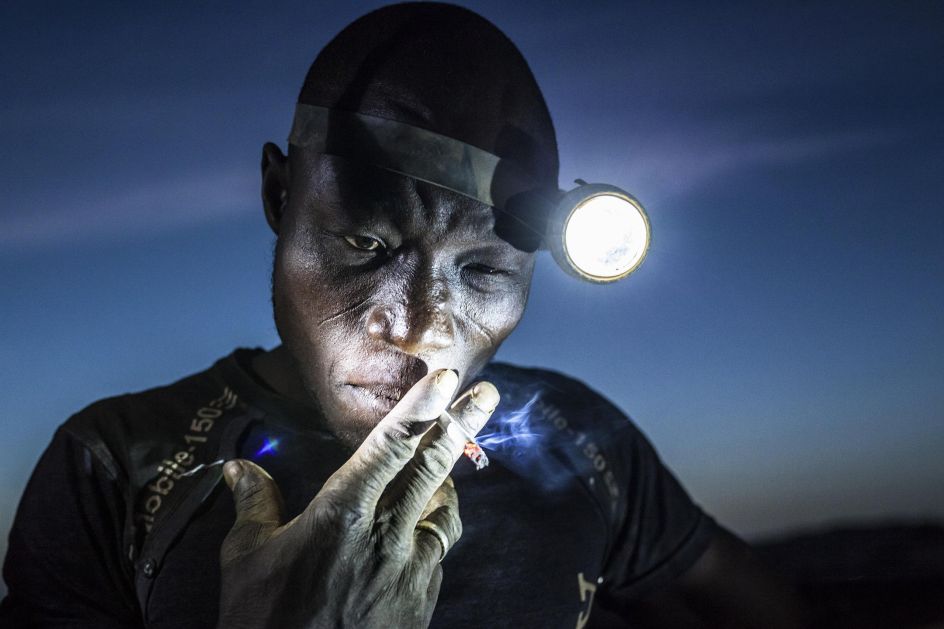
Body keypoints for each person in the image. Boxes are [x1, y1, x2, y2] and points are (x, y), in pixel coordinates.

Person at [0, 4, 807, 628]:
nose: (422, 326)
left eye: (484, 269)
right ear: (281, 198)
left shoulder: (581, 438)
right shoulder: (109, 468)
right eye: (365, 242)